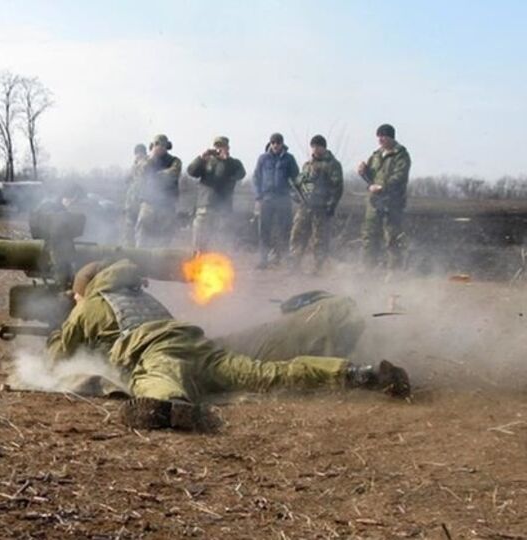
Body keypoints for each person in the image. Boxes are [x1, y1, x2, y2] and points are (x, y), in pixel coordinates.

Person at [46, 259, 411, 431]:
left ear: (86, 289)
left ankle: (177, 409)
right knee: (266, 374)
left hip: (158, 354)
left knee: (154, 396)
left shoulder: (92, 304)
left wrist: (58, 329)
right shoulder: (144, 297)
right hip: (199, 345)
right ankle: (356, 374)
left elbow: (59, 357)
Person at [357, 124, 411, 270]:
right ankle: (367, 270)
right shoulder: (376, 155)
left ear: (390, 137)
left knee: (392, 237)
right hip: (374, 202)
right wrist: (363, 171)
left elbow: (400, 176)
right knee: (369, 236)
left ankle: (394, 272)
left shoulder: (401, 155)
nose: (380, 139)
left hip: (392, 202)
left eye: (383, 136)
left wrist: (383, 187)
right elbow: (371, 176)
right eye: (378, 136)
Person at [289, 135, 344, 273]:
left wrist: (331, 205)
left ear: (323, 147)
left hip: (322, 207)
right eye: (313, 146)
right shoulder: (307, 165)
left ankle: (317, 268)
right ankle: (295, 265)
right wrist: (296, 195)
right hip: (305, 206)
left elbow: (337, 187)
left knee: (319, 239)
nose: (314, 149)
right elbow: (300, 183)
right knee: (297, 235)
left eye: (317, 146)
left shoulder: (332, 165)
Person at [187, 136, 246, 251]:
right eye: (216, 146)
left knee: (220, 242)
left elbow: (241, 174)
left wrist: (225, 161)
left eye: (221, 146)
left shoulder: (233, 163)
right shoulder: (206, 161)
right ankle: (198, 264)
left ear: (227, 148)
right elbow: (191, 171)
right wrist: (200, 158)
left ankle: (217, 265)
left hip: (223, 209)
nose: (218, 149)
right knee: (199, 241)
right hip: (204, 207)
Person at [252, 133, 299, 269]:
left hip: (283, 199)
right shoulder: (263, 159)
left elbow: (296, 178)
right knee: (264, 230)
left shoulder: (289, 159)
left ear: (282, 143)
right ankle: (263, 260)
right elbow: (256, 178)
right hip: (266, 199)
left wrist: (295, 193)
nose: (275, 145)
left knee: (285, 230)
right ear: (270, 143)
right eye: (273, 142)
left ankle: (284, 259)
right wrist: (258, 196)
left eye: (278, 142)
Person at [135, 134, 182, 248]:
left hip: (167, 205)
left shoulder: (174, 161)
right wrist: (152, 158)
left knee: (165, 237)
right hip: (148, 204)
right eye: (157, 144)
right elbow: (140, 171)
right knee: (142, 234)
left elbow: (173, 173)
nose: (160, 147)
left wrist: (155, 175)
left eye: (162, 145)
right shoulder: (146, 160)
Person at [122, 143, 148, 247]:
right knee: (128, 229)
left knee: (140, 229)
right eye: (137, 154)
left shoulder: (147, 164)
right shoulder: (134, 166)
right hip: (131, 203)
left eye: (140, 153)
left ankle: (139, 250)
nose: (138, 156)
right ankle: (129, 249)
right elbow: (126, 179)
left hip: (142, 203)